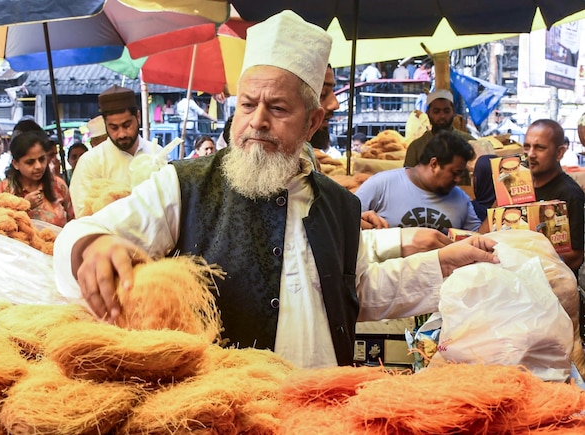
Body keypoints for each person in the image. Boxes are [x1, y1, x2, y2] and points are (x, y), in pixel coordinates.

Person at [53, 10, 498, 369]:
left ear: (312, 122)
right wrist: (91, 244)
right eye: (247, 104)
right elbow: (77, 235)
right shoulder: (184, 186)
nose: (257, 121)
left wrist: (441, 264)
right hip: (226, 415)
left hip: (322, 409)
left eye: (278, 107)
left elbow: (360, 291)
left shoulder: (341, 206)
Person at [355, 131, 482, 233]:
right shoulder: (381, 185)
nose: (458, 180)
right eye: (455, 173)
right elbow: (346, 222)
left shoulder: (460, 199)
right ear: (434, 164)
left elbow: (479, 237)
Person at [69, 85, 163, 217]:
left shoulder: (157, 154)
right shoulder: (90, 162)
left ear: (138, 117)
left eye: (127, 125)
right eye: (114, 127)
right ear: (105, 124)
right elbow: (85, 216)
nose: (121, 134)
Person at [523, 119, 584, 272]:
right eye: (526, 146)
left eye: (539, 148)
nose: (530, 154)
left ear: (559, 153)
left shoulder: (570, 194)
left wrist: (529, 251)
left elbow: (576, 257)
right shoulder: (521, 187)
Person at [0, 132, 72, 226]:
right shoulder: (2, 190)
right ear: (16, 164)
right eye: (30, 162)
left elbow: (73, 221)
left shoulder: (57, 185)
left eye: (42, 159)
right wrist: (23, 206)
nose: (38, 166)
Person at [403, 89, 475, 168]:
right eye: (436, 112)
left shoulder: (468, 141)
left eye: (446, 111)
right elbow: (408, 177)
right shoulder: (416, 147)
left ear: (453, 113)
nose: (442, 116)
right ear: (428, 113)